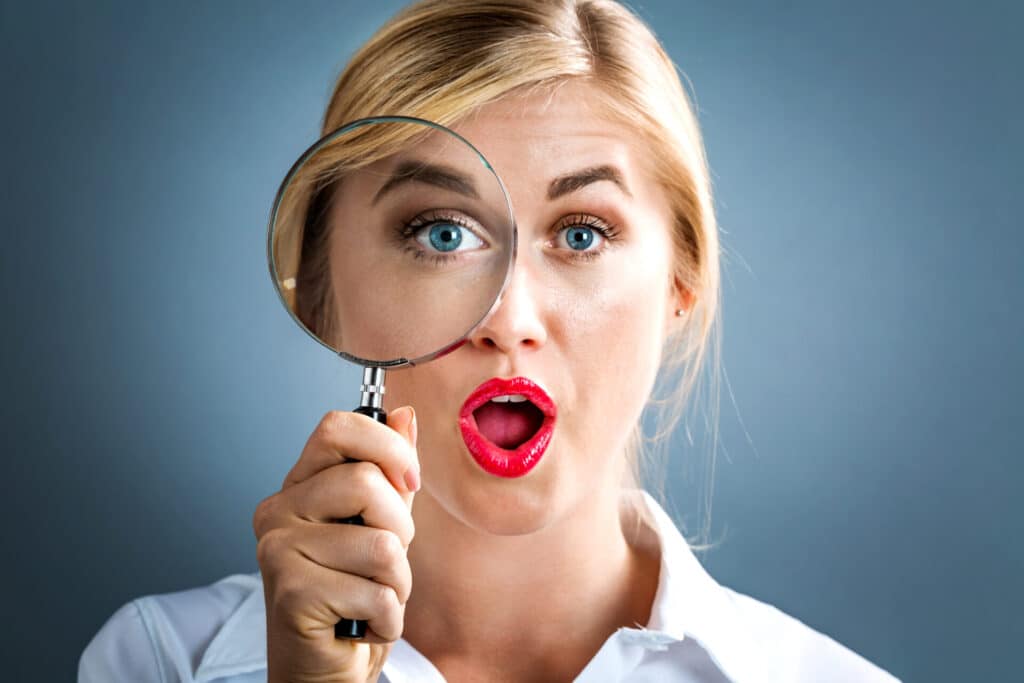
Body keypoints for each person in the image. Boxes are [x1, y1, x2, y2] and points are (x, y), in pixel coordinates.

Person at [78, 1, 900, 681]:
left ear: (680, 283)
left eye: (581, 235)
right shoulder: (153, 661)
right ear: (323, 289)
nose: (507, 320)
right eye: (441, 234)